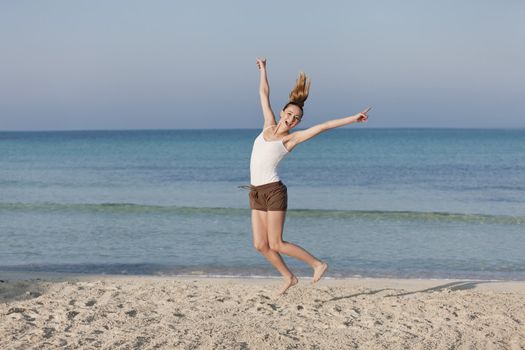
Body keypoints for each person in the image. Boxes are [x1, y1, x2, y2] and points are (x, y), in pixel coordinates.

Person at [245, 57, 370, 296]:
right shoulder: (267, 126)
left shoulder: (291, 139)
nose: (291, 119)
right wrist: (263, 70)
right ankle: (289, 277)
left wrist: (353, 118)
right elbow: (263, 94)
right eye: (289, 114)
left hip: (273, 191)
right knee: (260, 245)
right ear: (283, 112)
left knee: (277, 243)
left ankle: (317, 264)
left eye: (296, 119)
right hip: (255, 191)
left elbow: (323, 126)